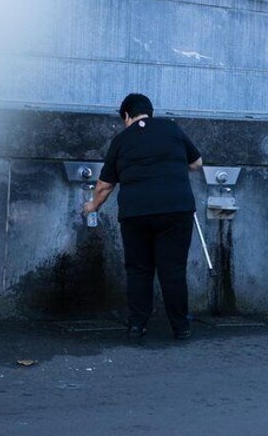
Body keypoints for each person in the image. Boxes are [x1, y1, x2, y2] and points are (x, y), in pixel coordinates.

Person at [83, 94, 203, 340]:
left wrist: (92, 206)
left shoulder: (121, 140)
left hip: (136, 212)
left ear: (126, 116)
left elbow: (105, 185)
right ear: (150, 112)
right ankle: (181, 327)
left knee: (139, 269)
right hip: (176, 209)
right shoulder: (172, 129)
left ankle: (138, 324)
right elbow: (197, 163)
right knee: (173, 269)